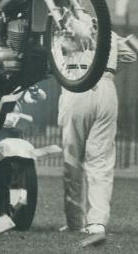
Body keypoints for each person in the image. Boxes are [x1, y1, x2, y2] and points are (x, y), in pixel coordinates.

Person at [58, 31, 136, 239]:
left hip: (76, 82)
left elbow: (53, 60)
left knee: (72, 157)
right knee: (100, 160)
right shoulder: (107, 31)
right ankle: (97, 223)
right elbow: (133, 53)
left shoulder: (63, 30)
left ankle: (75, 221)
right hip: (106, 85)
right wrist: (107, 65)